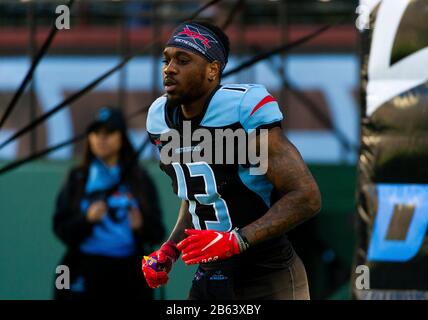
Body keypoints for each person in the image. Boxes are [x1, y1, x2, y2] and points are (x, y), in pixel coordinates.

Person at [142, 21, 321, 300]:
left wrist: (237, 240)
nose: (169, 68)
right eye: (166, 60)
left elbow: (306, 196)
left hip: (267, 272)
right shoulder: (159, 118)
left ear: (213, 70)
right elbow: (201, 194)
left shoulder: (241, 109)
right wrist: (171, 249)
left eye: (183, 60)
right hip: (210, 275)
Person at [53, 106, 165, 300]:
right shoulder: (78, 177)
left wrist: (141, 226)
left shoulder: (139, 178)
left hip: (128, 270)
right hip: (85, 268)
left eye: (109, 132)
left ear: (122, 137)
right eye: (96, 132)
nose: (101, 139)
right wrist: (86, 219)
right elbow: (60, 228)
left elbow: (157, 232)